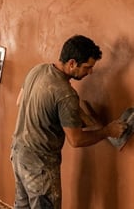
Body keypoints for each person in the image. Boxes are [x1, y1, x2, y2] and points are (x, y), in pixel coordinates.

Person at [10, 35, 128, 209]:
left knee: (22, 206)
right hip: (40, 165)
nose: (90, 72)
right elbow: (76, 140)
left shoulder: (38, 70)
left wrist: (78, 116)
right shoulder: (66, 94)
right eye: (87, 67)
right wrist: (107, 131)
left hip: (19, 154)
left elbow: (20, 101)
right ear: (72, 63)